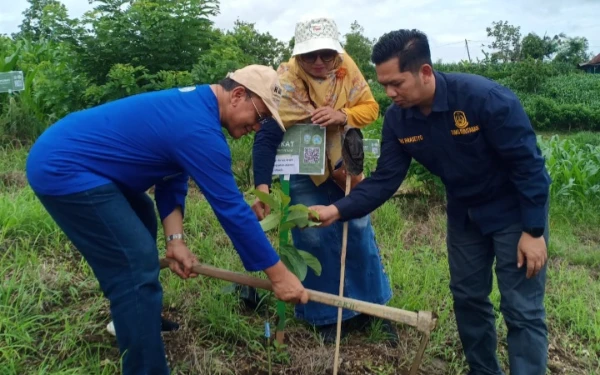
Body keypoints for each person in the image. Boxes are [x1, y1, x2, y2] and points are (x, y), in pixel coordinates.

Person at [25, 65, 309, 375]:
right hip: (63, 168)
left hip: (80, 161)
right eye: (259, 117)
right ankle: (143, 358)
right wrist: (279, 276)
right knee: (134, 264)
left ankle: (137, 318)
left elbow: (171, 177)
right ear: (238, 95)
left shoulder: (196, 108)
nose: (257, 127)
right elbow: (232, 211)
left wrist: (176, 241)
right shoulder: (198, 129)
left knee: (142, 214)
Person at [309, 29, 551, 375]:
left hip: (514, 211)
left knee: (521, 308)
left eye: (397, 83)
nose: (389, 94)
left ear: (425, 72)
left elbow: (529, 167)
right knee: (468, 297)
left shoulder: (485, 99)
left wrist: (533, 230)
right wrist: (336, 210)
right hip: (465, 213)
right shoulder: (398, 119)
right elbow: (386, 179)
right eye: (384, 85)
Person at [250, 17, 397, 344]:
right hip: (303, 163)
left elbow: (370, 108)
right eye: (309, 56)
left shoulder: (347, 68)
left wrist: (342, 115)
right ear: (297, 57)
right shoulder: (285, 80)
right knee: (313, 234)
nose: (318, 63)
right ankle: (326, 315)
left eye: (326, 55)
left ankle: (371, 309)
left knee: (358, 230)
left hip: (345, 160)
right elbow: (268, 134)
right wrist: (262, 185)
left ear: (336, 52)